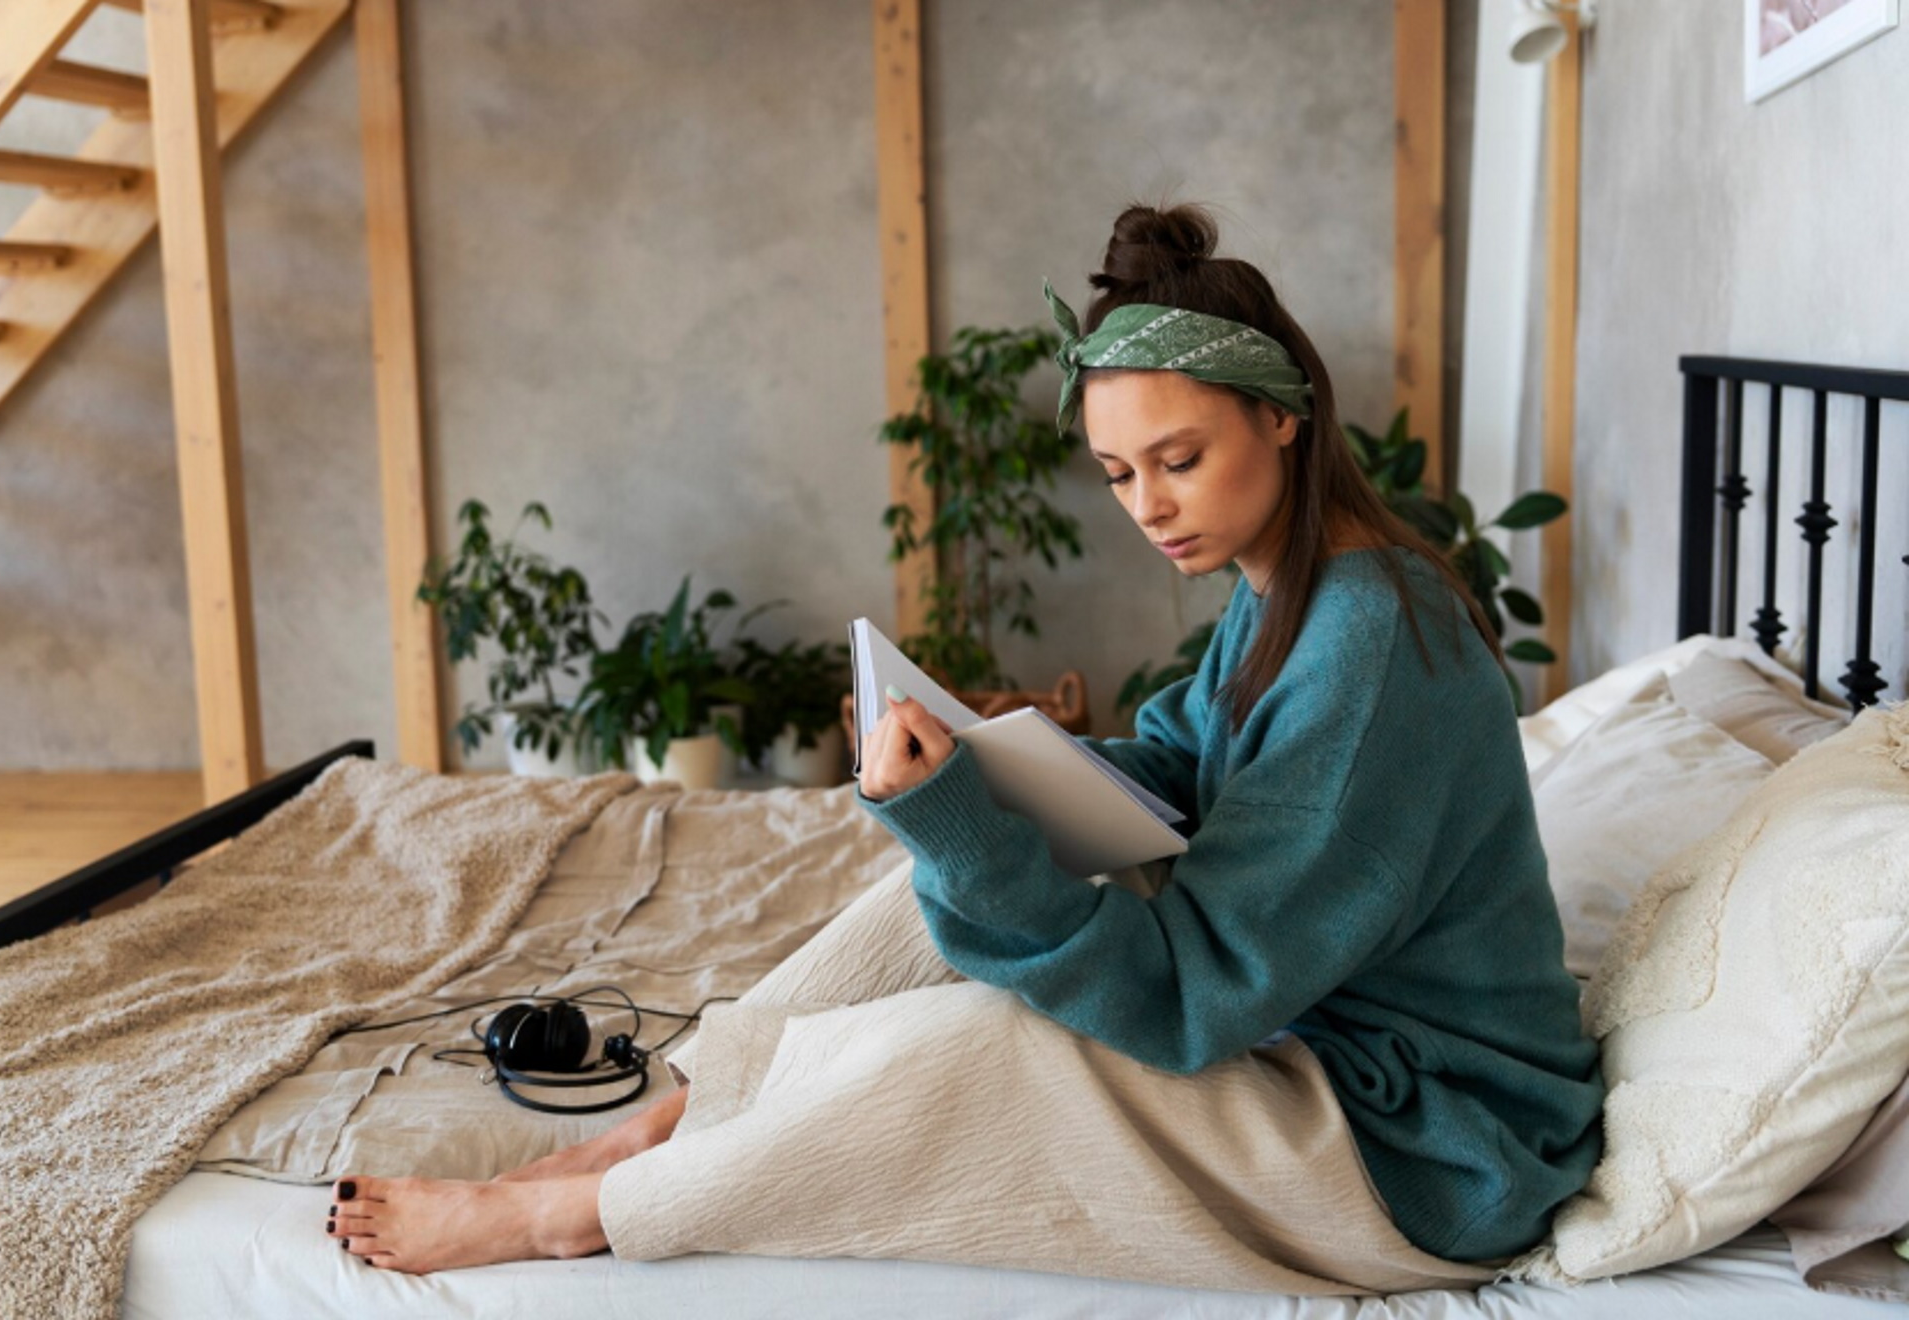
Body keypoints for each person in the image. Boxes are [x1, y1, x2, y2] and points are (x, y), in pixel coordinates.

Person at [325, 202, 1603, 1291]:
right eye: (1115, 473)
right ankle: (680, 1111)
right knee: (921, 900)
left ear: (1283, 417)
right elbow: (1181, 769)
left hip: (1426, 1142)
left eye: (1178, 459)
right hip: (1318, 1035)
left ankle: (577, 1214)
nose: (1147, 508)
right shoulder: (1294, 585)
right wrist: (995, 763)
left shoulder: (1369, 640)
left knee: (993, 1039)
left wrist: (973, 822)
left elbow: (1192, 991)